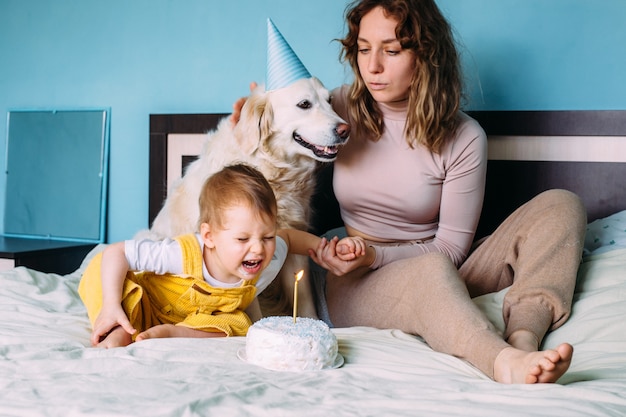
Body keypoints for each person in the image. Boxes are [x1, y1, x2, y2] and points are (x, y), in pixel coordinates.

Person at [232, 0, 587, 384]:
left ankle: (523, 336)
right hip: (355, 277)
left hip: (443, 260)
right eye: (364, 49)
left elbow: (451, 250)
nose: (373, 67)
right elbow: (283, 115)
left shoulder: (464, 137)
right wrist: (251, 108)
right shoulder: (338, 110)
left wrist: (379, 255)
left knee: (561, 205)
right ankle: (500, 360)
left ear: (426, 54)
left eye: (392, 50)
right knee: (429, 272)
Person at [78, 163, 366, 348]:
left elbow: (288, 239)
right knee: (118, 292)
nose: (258, 248)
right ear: (209, 237)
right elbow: (117, 253)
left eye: (266, 236)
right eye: (242, 239)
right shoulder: (182, 254)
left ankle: (173, 334)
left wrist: (323, 248)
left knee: (241, 323)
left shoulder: (266, 253)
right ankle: (115, 330)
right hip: (145, 301)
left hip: (190, 320)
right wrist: (112, 304)